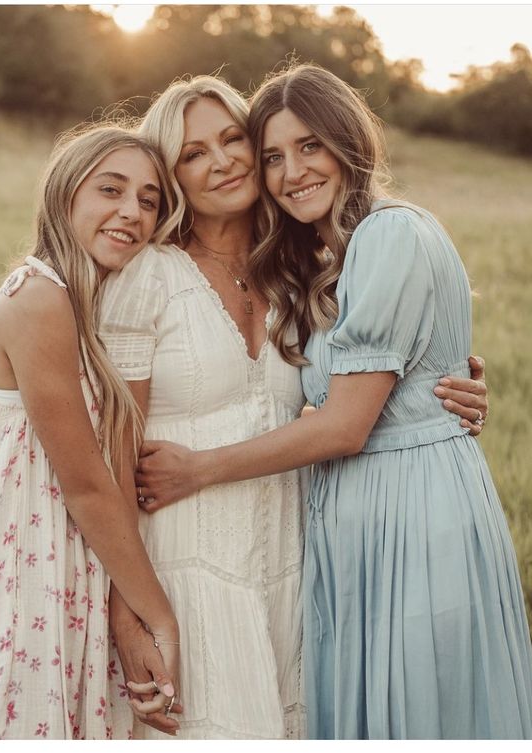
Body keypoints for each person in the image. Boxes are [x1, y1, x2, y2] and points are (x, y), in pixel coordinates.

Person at [133, 65, 532, 739]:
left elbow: (346, 424)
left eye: (309, 146)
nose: (291, 172)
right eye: (274, 157)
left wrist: (196, 467)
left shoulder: (386, 234)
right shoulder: (315, 257)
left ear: (348, 141)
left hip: (408, 515)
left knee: (420, 710)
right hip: (356, 517)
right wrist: (435, 384)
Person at [0, 124, 181, 740]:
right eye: (110, 189)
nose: (131, 212)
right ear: (65, 196)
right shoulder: (40, 301)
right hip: (14, 590)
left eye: (149, 200)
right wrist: (159, 617)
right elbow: (86, 485)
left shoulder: (86, 308)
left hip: (61, 579)